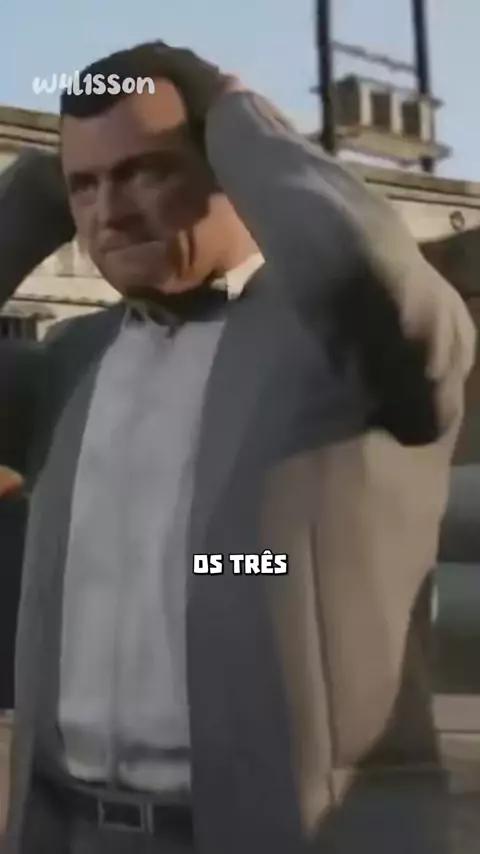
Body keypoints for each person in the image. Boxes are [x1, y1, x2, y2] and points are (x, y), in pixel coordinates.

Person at [0, 42, 475, 854]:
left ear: (227, 166)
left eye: (146, 171)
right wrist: (35, 195)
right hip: (74, 830)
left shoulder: (345, 346)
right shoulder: (70, 361)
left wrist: (242, 121)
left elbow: (366, 275)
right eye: (87, 185)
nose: (111, 212)